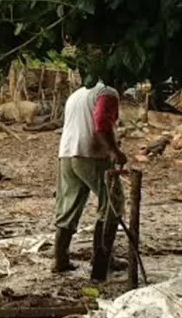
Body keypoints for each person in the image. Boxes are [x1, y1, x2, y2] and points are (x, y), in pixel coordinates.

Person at [54, 80, 128, 280]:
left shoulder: (78, 94)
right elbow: (101, 123)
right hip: (91, 153)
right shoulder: (108, 92)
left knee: (69, 204)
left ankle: (60, 259)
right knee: (113, 203)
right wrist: (114, 150)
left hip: (67, 153)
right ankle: (102, 262)